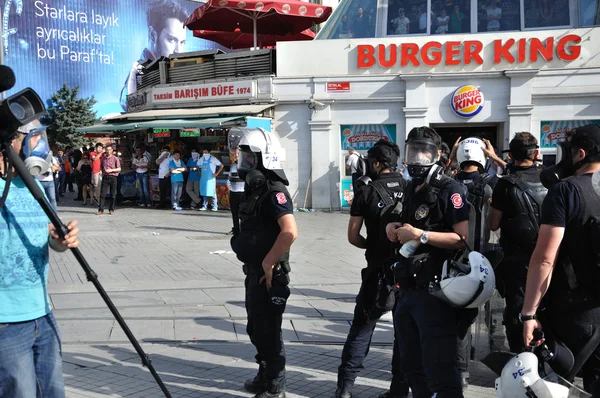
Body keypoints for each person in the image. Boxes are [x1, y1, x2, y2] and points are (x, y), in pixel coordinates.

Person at [386, 126, 469, 398]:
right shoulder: (412, 187)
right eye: (414, 151)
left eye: (424, 151)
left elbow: (462, 238)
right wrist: (395, 227)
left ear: (437, 154)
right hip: (407, 289)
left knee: (440, 368)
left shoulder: (449, 188)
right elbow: (412, 225)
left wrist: (420, 235)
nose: (418, 158)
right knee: (410, 365)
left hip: (435, 292)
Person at [0, 122, 80, 398]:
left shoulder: (32, 185)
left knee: (53, 392)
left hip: (43, 313)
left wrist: (59, 241)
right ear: (10, 142)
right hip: (5, 321)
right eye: (33, 138)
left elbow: (47, 234)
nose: (41, 145)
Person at [522, 124, 600, 394]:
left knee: (550, 387)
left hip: (575, 312)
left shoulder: (566, 190)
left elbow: (545, 259)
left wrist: (528, 313)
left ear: (580, 154)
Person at [336, 139, 409, 398]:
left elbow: (353, 236)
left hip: (376, 270)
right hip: (406, 271)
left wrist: (374, 247)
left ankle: (345, 389)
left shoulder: (365, 191)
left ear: (376, 164)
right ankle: (398, 391)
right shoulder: (410, 186)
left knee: (362, 327)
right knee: (404, 335)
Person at [230, 127, 298, 398]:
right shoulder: (255, 190)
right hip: (255, 272)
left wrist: (270, 263)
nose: (244, 164)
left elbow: (290, 231)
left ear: (263, 159)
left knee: (269, 331)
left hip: (270, 274)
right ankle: (264, 374)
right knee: (256, 328)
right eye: (242, 158)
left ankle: (275, 386)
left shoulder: (274, 191)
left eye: (249, 159)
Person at [487, 133, 547, 354]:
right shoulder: (551, 179)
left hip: (517, 263)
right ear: (537, 153)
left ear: (511, 155)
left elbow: (493, 225)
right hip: (551, 260)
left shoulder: (505, 185)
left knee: (518, 311)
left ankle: (521, 359)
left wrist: (492, 205)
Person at [120, 0, 189, 110]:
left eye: (182, 42)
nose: (178, 50)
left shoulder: (174, 70)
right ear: (152, 35)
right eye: (171, 40)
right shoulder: (138, 72)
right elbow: (126, 104)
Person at [227, 139, 245, 235]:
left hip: (243, 191)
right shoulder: (233, 165)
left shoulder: (246, 165)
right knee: (234, 212)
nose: (236, 156)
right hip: (233, 191)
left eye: (238, 154)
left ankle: (244, 229)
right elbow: (230, 176)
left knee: (243, 212)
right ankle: (236, 229)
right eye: (235, 154)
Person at [198, 147, 224, 212]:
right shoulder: (201, 159)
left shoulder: (213, 159)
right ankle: (204, 206)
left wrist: (216, 173)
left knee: (212, 192)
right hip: (203, 178)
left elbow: (221, 165)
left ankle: (215, 206)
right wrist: (200, 173)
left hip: (211, 178)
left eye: (206, 152)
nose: (204, 154)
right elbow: (197, 165)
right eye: (203, 152)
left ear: (209, 153)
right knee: (204, 192)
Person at [97, 145, 121, 215]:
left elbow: (119, 169)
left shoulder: (115, 158)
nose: (108, 151)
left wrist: (111, 170)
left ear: (112, 150)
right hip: (105, 177)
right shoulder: (103, 158)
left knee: (113, 194)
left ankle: (111, 209)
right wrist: (100, 171)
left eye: (110, 150)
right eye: (107, 150)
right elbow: (101, 167)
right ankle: (100, 209)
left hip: (113, 177)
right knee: (102, 194)